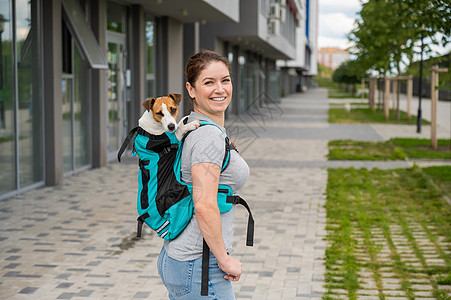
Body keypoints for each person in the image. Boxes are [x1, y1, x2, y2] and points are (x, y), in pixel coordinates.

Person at [157, 49, 250, 299]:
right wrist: (225, 260)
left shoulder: (192, 123)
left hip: (182, 258)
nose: (220, 89)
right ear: (191, 89)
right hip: (201, 267)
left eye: (225, 80)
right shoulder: (207, 136)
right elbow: (204, 204)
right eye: (208, 82)